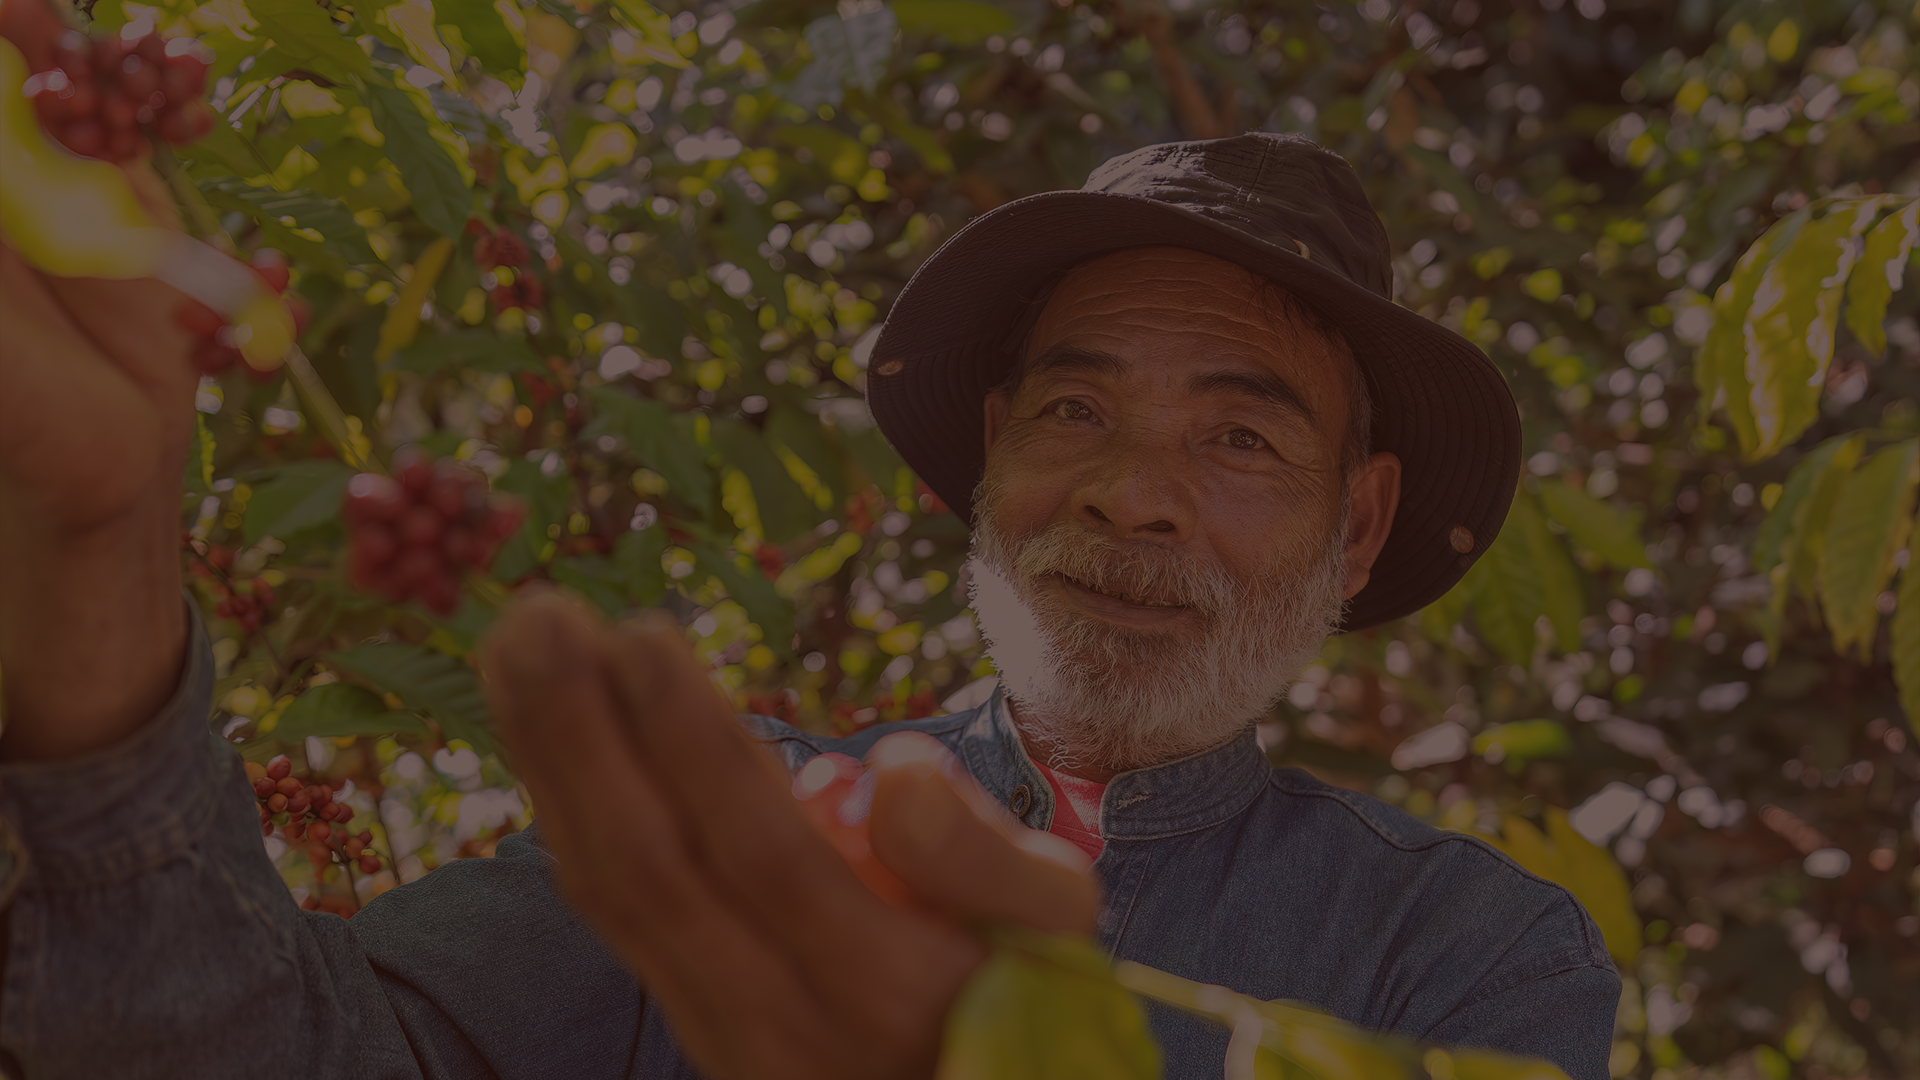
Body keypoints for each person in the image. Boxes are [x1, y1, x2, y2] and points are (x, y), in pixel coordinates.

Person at [0, 132, 1619, 1079]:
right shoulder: (728, 822)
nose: (1131, 490)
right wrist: (99, 571)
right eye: (1073, 411)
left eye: (1243, 436)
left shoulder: (1469, 959)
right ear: (997, 455)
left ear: (1362, 525)